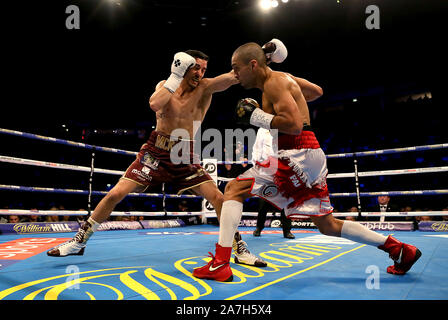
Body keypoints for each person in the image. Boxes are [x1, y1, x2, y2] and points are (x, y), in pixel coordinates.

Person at [193, 41, 421, 282]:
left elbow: (292, 125)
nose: (234, 74)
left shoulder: (274, 82)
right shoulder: (282, 79)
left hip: (295, 153)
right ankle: (399, 249)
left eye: (236, 68)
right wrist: (289, 86)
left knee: (232, 189)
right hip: (309, 154)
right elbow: (315, 92)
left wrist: (258, 116)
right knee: (327, 225)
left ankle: (220, 264)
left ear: (253, 64)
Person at [47, 49, 269, 267]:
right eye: (196, 68)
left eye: (204, 69)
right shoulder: (165, 86)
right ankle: (80, 241)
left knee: (219, 199)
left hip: (185, 155)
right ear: (183, 67)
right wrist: (175, 75)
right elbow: (154, 104)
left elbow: (233, 77)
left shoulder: (205, 88)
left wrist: (261, 57)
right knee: (116, 193)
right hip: (155, 152)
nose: (200, 74)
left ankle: (238, 248)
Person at [251, 128, 294, 239]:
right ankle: (259, 227)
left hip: (283, 166)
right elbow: (257, 148)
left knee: (286, 198)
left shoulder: (284, 127)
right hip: (266, 167)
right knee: (263, 200)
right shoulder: (262, 130)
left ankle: (287, 230)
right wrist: (255, 164)